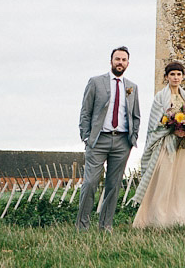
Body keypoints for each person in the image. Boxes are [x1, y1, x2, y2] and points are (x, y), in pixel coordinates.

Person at [132, 61, 185, 228]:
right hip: (167, 145)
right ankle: (156, 220)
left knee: (181, 184)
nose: (175, 77)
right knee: (163, 182)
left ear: (183, 77)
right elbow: (155, 125)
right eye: (172, 74)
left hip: (184, 147)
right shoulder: (160, 97)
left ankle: (178, 221)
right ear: (166, 77)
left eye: (179, 74)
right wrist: (172, 131)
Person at [76, 46, 141, 231]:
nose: (120, 62)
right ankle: (82, 226)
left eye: (124, 60)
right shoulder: (96, 82)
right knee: (90, 183)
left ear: (128, 63)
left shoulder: (132, 87)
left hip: (122, 142)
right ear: (111, 61)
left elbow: (136, 115)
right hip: (98, 141)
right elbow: (85, 112)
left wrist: (133, 137)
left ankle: (106, 226)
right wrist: (86, 137)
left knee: (114, 186)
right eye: (117, 59)